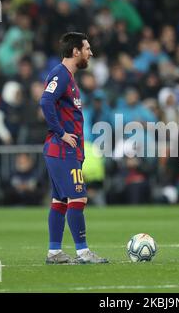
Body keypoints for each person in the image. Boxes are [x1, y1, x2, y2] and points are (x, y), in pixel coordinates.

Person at [40, 32, 108, 264]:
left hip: (65, 151)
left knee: (60, 201)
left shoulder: (68, 77)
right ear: (76, 51)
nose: (91, 53)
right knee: (78, 198)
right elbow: (45, 100)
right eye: (87, 48)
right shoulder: (60, 74)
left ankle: (54, 252)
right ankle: (83, 252)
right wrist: (61, 133)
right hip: (61, 149)